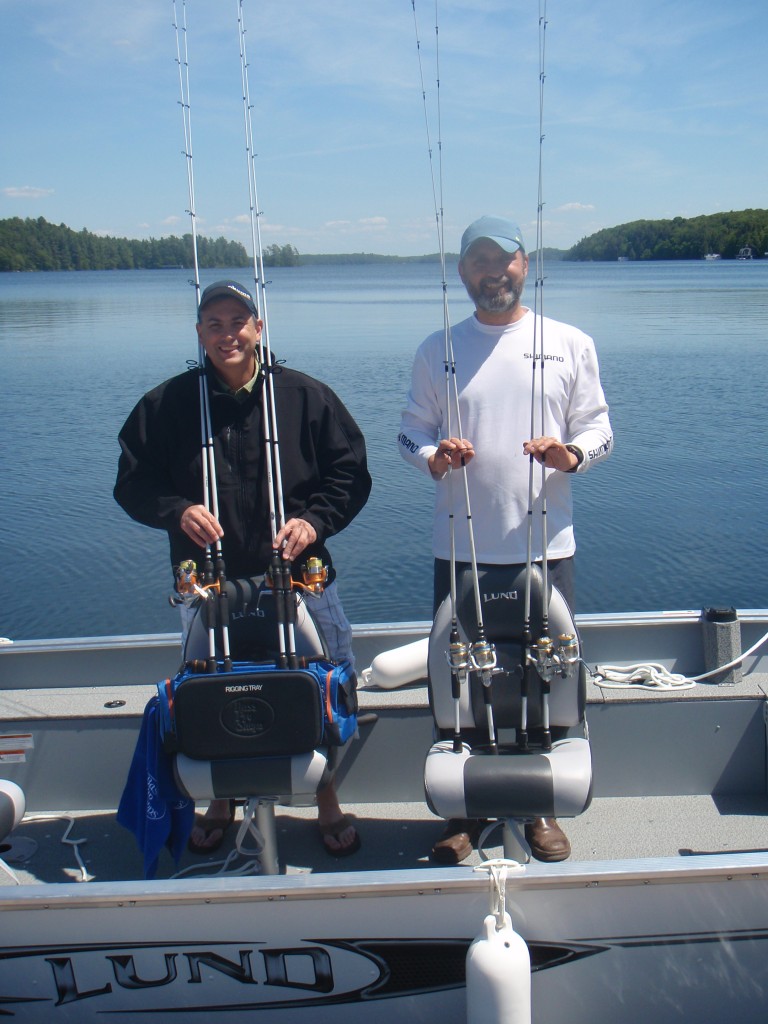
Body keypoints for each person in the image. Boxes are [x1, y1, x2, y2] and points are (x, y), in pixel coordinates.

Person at [115, 280, 371, 858]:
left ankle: (326, 797)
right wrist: (177, 510)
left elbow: (351, 474)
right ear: (199, 334)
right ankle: (221, 800)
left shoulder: (306, 397)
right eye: (214, 323)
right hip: (205, 579)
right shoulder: (167, 404)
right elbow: (132, 483)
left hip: (300, 575)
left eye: (238, 321)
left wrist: (314, 522)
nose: (227, 333)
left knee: (328, 681)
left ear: (258, 327)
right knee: (210, 683)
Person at [398, 216, 613, 864]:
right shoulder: (436, 348)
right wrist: (435, 457)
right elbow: (409, 434)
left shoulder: (571, 342)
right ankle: (462, 815)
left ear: (526, 264)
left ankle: (540, 807)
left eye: (504, 259)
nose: (493, 272)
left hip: (546, 546)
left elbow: (602, 430)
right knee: (457, 679)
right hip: (459, 547)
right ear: (462, 272)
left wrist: (569, 454)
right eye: (478, 261)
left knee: (549, 676)